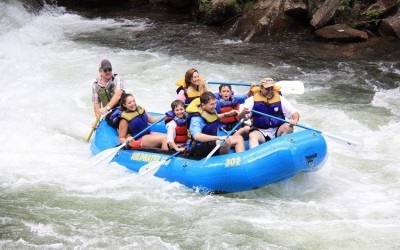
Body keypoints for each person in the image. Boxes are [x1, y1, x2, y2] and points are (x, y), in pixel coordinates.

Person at [241, 77, 300, 149]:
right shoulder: (251, 100)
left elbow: (294, 113)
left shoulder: (280, 99)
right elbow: (244, 118)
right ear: (261, 88)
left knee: (289, 127)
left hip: (277, 130)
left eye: (271, 88)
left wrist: (295, 120)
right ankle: (256, 155)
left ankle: (282, 148)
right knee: (252, 135)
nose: (270, 91)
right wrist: (243, 113)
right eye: (267, 89)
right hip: (261, 131)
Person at [187, 91, 249, 159]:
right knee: (225, 141)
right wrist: (218, 138)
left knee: (238, 138)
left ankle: (240, 160)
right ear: (203, 105)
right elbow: (197, 136)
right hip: (198, 147)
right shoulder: (196, 119)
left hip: (210, 142)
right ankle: (223, 162)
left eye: (215, 103)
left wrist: (227, 114)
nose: (215, 106)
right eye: (212, 104)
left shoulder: (210, 110)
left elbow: (213, 118)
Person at [91, 59, 125, 127]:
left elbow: (118, 95)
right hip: (110, 113)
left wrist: (106, 108)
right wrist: (97, 121)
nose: (108, 72)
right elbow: (96, 104)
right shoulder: (95, 85)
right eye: (105, 70)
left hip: (123, 107)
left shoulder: (118, 78)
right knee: (115, 119)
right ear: (100, 71)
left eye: (109, 69)